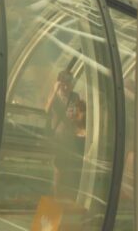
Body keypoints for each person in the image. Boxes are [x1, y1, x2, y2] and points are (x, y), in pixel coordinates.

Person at [45, 69, 81, 198]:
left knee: (68, 168)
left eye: (68, 84)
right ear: (59, 83)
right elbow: (46, 109)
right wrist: (55, 91)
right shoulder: (55, 95)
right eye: (63, 84)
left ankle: (65, 196)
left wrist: (76, 116)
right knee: (58, 168)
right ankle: (56, 196)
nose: (66, 87)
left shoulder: (75, 96)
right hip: (58, 137)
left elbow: (79, 114)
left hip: (70, 137)